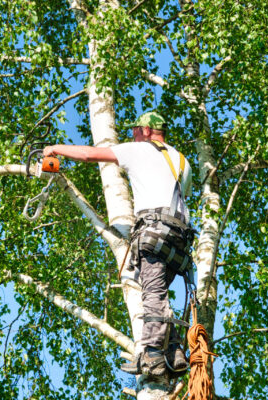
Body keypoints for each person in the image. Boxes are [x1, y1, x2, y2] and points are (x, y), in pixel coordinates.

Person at [43, 111, 193, 378]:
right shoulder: (182, 161)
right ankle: (175, 351)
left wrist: (55, 149)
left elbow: (90, 155)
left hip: (154, 234)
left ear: (146, 131)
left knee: (152, 294)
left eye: (135, 130)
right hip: (179, 241)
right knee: (159, 293)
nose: (132, 135)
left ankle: (153, 356)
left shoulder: (139, 150)